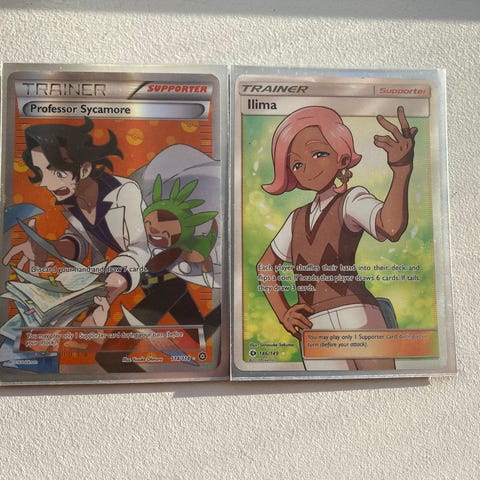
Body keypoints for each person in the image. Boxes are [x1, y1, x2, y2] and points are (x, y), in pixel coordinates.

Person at [257, 106, 417, 370]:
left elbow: (390, 227)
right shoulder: (296, 218)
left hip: (358, 315)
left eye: (319, 153)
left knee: (381, 387)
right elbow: (265, 266)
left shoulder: (351, 199)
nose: (308, 168)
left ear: (341, 158)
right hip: (314, 326)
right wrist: (283, 313)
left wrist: (401, 170)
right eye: (297, 164)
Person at [2, 117, 151, 326]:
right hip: (126, 281)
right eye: (41, 172)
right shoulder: (73, 199)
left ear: (85, 169)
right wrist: (48, 247)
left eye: (58, 172)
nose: (46, 183)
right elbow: (78, 243)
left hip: (163, 270)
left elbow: (140, 250)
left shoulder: (124, 192)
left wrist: (105, 298)